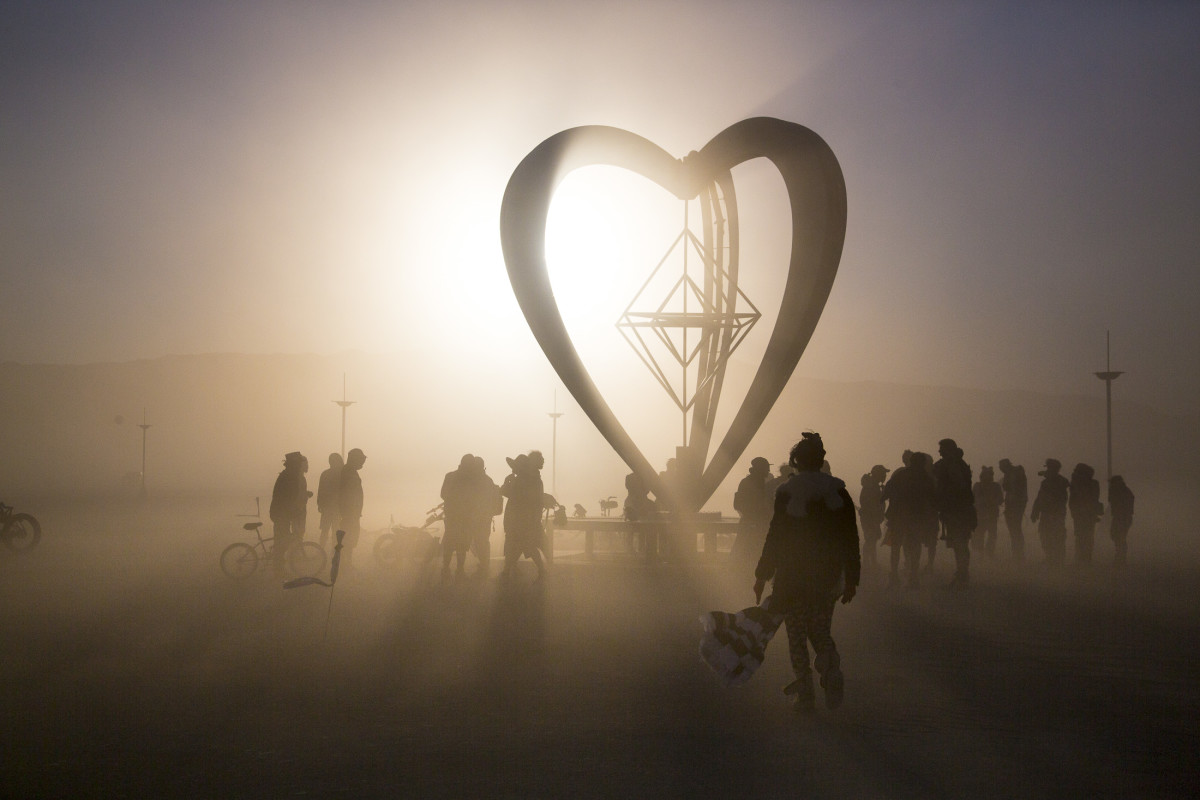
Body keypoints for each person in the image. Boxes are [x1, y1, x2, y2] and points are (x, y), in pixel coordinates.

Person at [753, 432, 860, 713]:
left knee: (797, 635)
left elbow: (775, 536)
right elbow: (850, 539)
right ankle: (831, 669)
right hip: (828, 576)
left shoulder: (787, 492)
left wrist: (762, 574)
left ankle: (805, 692)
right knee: (820, 629)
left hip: (793, 576)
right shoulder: (838, 492)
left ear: (796, 462)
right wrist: (852, 579)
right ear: (821, 460)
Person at [881, 451, 936, 588]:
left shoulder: (901, 475)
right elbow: (933, 500)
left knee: (896, 547)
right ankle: (913, 577)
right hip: (916, 518)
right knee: (915, 546)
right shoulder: (926, 478)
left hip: (899, 517)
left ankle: (894, 576)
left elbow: (885, 494)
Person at [933, 440, 976, 588]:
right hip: (958, 509)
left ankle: (962, 576)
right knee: (959, 543)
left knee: (960, 543)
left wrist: (946, 500)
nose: (939, 452)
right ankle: (962, 574)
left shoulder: (953, 465)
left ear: (948, 450)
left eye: (941, 449)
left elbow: (959, 486)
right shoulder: (954, 464)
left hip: (958, 510)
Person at [500, 453, 546, 581]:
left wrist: (506, 482)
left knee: (517, 545)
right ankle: (508, 570)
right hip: (528, 520)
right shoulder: (534, 479)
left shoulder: (521, 480)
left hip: (518, 520)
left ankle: (507, 571)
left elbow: (507, 492)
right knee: (526, 546)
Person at [730, 457, 773, 568]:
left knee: (742, 550)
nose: (768, 471)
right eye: (766, 468)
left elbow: (737, 504)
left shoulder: (745, 482)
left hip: (748, 522)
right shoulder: (763, 484)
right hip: (756, 523)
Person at [268, 451, 305, 578]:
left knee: (283, 539)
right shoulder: (289, 476)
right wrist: (295, 511)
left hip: (281, 513)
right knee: (282, 541)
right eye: (299, 463)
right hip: (281, 513)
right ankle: (278, 570)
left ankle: (278, 566)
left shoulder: (289, 475)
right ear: (295, 464)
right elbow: (286, 498)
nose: (300, 465)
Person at [440, 455, 476, 580]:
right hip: (465, 517)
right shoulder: (471, 479)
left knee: (449, 543)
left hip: (451, 516)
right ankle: (459, 570)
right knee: (462, 544)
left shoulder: (450, 476)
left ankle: (445, 569)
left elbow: (443, 494)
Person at [1030, 458, 1069, 567]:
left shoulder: (1060, 482)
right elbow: (1040, 497)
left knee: (1057, 536)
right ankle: (1050, 558)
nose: (1047, 470)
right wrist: (1035, 511)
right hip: (1047, 513)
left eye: (1049, 468)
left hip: (1055, 514)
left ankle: (1058, 560)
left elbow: (1059, 498)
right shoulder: (1047, 482)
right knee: (1045, 535)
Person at [338, 448, 367, 569]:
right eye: (360, 460)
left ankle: (346, 562)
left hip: (352, 512)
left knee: (350, 538)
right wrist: (352, 510)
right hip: (350, 512)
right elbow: (348, 494)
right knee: (349, 538)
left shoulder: (350, 471)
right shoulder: (348, 472)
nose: (362, 464)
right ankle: (346, 563)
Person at [1068, 463, 1102, 565]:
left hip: (1083, 514)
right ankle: (1084, 558)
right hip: (1085, 514)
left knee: (1083, 536)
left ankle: (1083, 558)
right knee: (1085, 536)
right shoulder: (1092, 483)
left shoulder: (1079, 483)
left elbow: (1077, 498)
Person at [857, 465, 888, 570]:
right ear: (878, 474)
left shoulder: (872, 485)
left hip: (870, 517)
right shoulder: (871, 486)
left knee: (872, 539)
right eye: (883, 474)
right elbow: (871, 503)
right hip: (870, 517)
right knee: (870, 539)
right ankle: (866, 564)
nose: (885, 476)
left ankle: (872, 563)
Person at [997, 458, 1028, 561]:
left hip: (1015, 505)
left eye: (1001, 467)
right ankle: (1017, 554)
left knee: (1015, 529)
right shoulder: (1010, 474)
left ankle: (1018, 554)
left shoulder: (1014, 473)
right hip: (1013, 505)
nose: (1001, 470)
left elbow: (1013, 488)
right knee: (1014, 529)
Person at [973, 466, 1004, 557]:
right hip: (980, 515)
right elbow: (971, 499)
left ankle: (989, 553)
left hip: (991, 515)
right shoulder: (977, 486)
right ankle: (982, 553)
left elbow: (1000, 500)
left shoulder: (995, 486)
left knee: (991, 535)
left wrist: (992, 501)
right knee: (981, 535)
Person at [316, 453, 343, 550]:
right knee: (335, 530)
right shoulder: (341, 474)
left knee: (325, 531)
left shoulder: (325, 474)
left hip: (327, 507)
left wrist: (320, 504)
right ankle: (333, 551)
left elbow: (320, 490)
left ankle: (321, 550)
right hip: (335, 508)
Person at [1108, 475, 1134, 568]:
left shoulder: (1122, 491)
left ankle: (1120, 559)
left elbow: (1121, 505)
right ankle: (1120, 558)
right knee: (1117, 536)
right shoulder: (1122, 491)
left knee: (1119, 537)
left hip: (1122, 517)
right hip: (1121, 517)